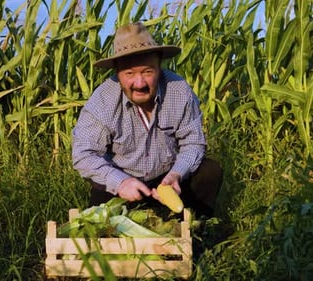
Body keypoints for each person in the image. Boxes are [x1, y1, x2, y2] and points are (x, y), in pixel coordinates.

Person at [71, 22, 222, 217]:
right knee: (104, 232)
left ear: (159, 67)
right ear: (117, 73)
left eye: (147, 71)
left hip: (167, 179)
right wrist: (120, 182)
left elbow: (193, 143)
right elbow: (84, 155)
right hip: (123, 183)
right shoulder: (102, 101)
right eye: (130, 73)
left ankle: (196, 234)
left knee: (210, 171)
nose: (140, 83)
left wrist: (176, 174)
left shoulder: (179, 90)